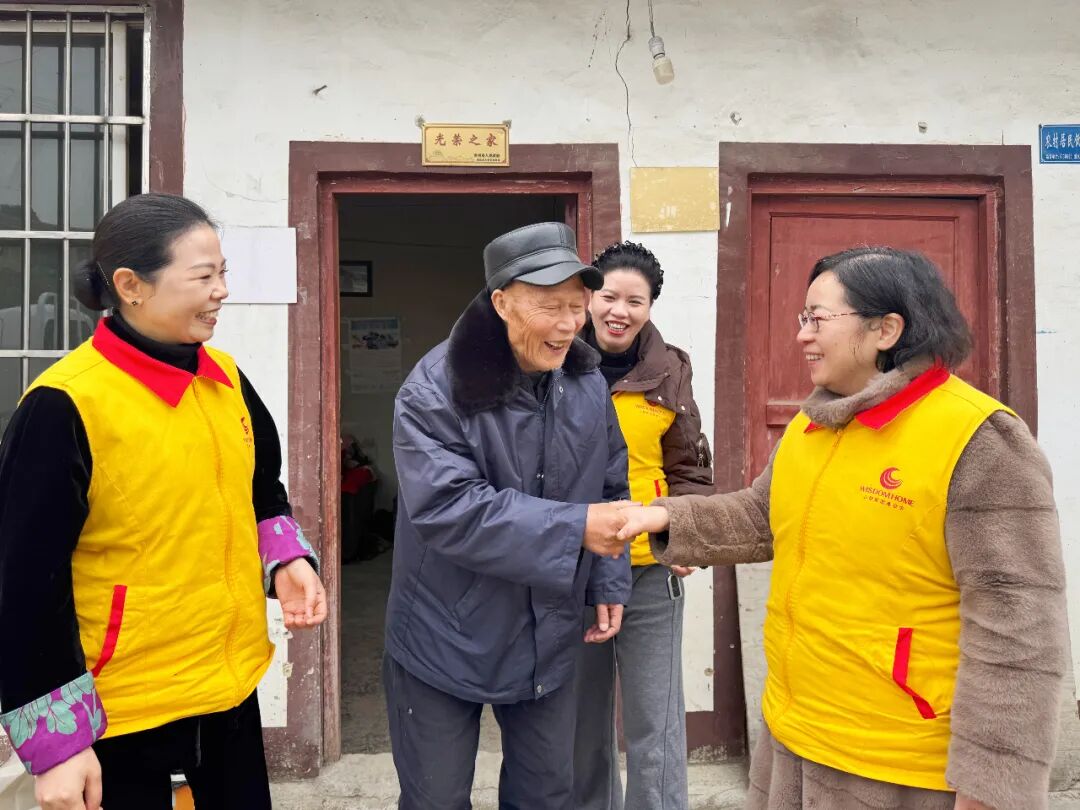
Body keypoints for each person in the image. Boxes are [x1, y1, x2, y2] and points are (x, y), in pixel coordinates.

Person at [617, 247, 1067, 810]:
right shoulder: (815, 425)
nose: (802, 335)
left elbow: (1019, 631)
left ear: (886, 329)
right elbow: (763, 515)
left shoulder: (979, 439)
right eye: (802, 317)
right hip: (794, 734)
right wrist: (661, 516)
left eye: (817, 318)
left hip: (898, 766)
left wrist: (992, 790)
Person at [0, 193, 327, 810]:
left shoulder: (225, 378)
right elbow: (23, 585)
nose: (222, 291)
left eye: (223, 273)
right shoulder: (64, 405)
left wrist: (286, 560)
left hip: (227, 687)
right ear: (131, 286)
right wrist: (58, 746)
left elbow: (261, 488)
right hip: (120, 710)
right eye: (203, 277)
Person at [383, 221, 633, 809]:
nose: (569, 325)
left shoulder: (585, 382)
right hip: (444, 629)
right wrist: (576, 529)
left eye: (577, 306)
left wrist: (607, 578)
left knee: (546, 794)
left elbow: (610, 482)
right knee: (437, 799)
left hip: (550, 626)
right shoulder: (434, 390)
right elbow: (448, 507)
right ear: (501, 303)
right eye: (550, 307)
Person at [574, 241, 713, 810]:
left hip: (648, 569)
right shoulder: (555, 361)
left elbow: (688, 466)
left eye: (636, 301)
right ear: (589, 298)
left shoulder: (669, 368)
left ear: (651, 306)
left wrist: (684, 533)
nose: (620, 311)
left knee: (656, 722)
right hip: (575, 567)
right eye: (609, 296)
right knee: (581, 721)